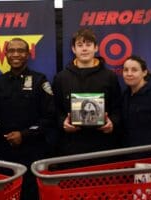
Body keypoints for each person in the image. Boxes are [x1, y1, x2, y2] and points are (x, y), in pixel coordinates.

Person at [0, 38, 56, 200]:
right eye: (11, 51)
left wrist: (24, 135)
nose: (16, 54)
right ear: (5, 54)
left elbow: (50, 118)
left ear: (28, 54)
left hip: (33, 152)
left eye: (20, 51)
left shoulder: (40, 80)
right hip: (5, 154)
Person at [52, 28, 122, 157]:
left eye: (88, 44)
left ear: (96, 48)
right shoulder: (61, 78)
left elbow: (118, 107)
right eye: (80, 45)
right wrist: (63, 122)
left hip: (103, 146)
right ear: (73, 49)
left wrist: (113, 122)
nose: (84, 49)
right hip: (71, 147)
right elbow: (55, 109)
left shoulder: (110, 76)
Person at [121, 55, 151, 147]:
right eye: (125, 70)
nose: (129, 73)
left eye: (134, 70)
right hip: (132, 155)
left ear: (144, 72)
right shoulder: (125, 96)